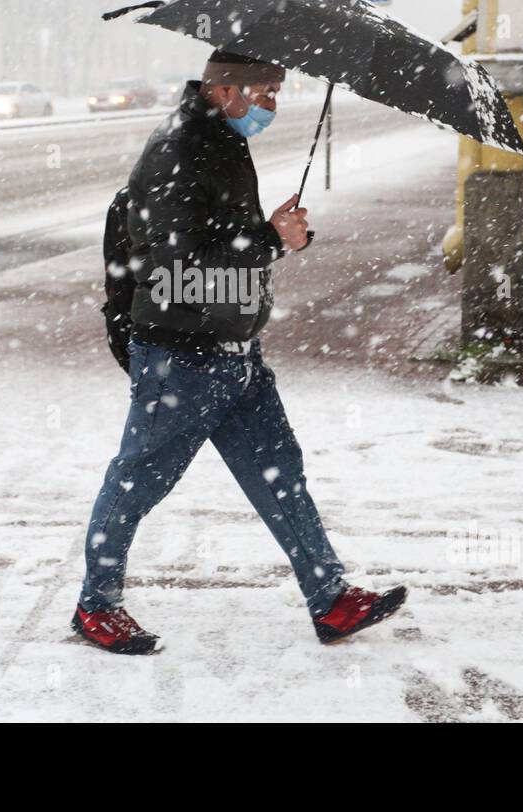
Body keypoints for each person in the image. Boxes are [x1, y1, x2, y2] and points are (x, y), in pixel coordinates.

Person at [71, 48, 406, 654]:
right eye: (267, 92)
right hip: (182, 350)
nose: (273, 105)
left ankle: (330, 599)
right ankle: (96, 605)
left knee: (280, 473)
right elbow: (176, 263)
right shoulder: (177, 149)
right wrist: (268, 239)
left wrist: (275, 237)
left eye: (278, 92)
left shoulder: (222, 140)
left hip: (233, 348)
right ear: (226, 90)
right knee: (139, 478)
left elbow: (222, 240)